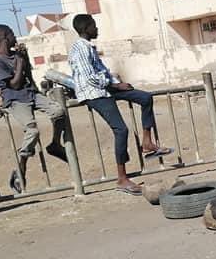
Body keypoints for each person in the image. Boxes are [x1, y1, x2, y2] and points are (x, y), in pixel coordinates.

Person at [68, 14, 172, 195]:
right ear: (86, 28)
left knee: (145, 98)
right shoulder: (80, 49)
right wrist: (115, 85)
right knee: (121, 130)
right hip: (95, 93)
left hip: (106, 88)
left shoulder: (89, 47)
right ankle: (122, 178)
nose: (97, 29)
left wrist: (117, 84)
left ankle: (147, 142)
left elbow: (103, 72)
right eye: (94, 25)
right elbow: (90, 78)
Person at [0, 24, 69, 194]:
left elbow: (28, 77)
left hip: (30, 93)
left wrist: (26, 60)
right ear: (4, 37)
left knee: (58, 111)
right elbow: (15, 84)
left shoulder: (17, 55)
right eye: (11, 34)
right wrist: (19, 61)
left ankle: (54, 144)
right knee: (32, 130)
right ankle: (21, 168)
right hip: (15, 99)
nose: (15, 37)